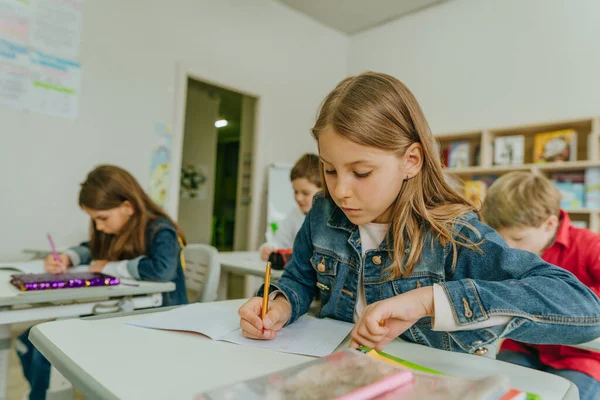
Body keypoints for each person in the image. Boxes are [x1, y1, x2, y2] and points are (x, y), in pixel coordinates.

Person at [237, 72, 600, 362]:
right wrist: (280, 305)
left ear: (411, 160)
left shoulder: (454, 232)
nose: (340, 191)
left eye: (361, 173)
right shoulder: (323, 212)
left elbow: (583, 309)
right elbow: (301, 279)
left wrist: (429, 300)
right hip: (340, 371)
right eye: (330, 171)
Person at [18, 165, 188, 399]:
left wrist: (109, 267)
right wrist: (68, 257)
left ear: (127, 206)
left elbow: (161, 270)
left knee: (46, 347)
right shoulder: (115, 230)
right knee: (31, 339)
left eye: (102, 218)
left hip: (155, 318)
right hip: (122, 311)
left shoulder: (161, 230)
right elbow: (90, 249)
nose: (99, 226)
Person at [482, 171, 600, 399]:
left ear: (549, 224)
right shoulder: (508, 249)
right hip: (526, 345)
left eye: (517, 239)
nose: (508, 249)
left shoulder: (590, 245)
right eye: (500, 238)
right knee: (494, 391)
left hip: (583, 355)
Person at [260, 153, 322, 261]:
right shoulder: (295, 215)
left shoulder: (330, 219)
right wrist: (266, 250)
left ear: (323, 191)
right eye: (295, 191)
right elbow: (276, 242)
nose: (298, 198)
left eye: (305, 193)